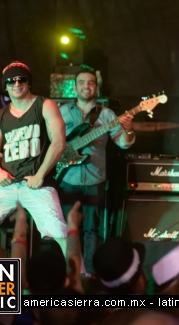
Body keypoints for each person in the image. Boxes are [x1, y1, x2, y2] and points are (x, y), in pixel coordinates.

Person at [0, 61, 68, 254]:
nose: (16, 84)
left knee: (61, 235)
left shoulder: (45, 105)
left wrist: (40, 175)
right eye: (11, 81)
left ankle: (79, 272)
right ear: (5, 86)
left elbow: (59, 142)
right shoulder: (0, 117)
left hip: (37, 183)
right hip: (6, 183)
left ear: (29, 83)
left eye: (21, 79)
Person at [57, 66, 135, 274]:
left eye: (90, 82)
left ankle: (89, 274)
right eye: (81, 82)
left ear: (96, 87)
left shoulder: (107, 114)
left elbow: (123, 143)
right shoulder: (61, 112)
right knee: (67, 229)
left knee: (92, 229)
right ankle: (69, 273)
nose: (86, 86)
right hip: (66, 177)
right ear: (75, 87)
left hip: (94, 179)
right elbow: (49, 139)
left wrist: (128, 130)